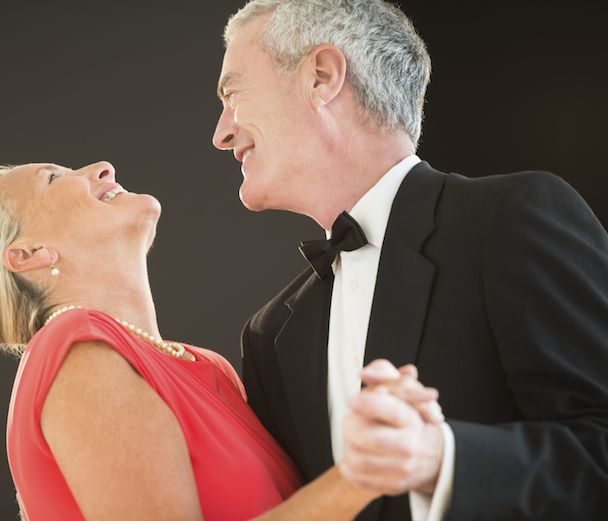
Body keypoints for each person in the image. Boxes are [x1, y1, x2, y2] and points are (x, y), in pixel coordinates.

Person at [211, 1, 608, 520]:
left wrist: (443, 458)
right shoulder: (270, 337)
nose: (220, 133)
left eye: (232, 94)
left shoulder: (513, 218)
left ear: (322, 77)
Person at [0, 161, 444, 521]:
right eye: (53, 178)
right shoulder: (76, 349)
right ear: (26, 254)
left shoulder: (209, 367)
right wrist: (360, 474)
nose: (101, 169)